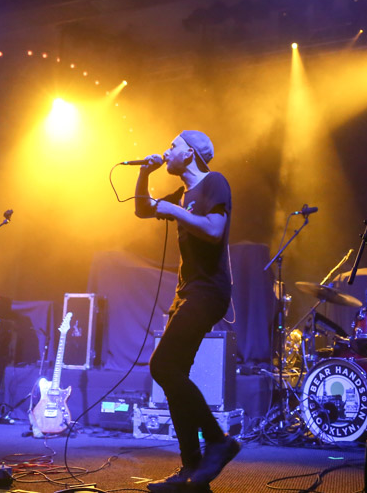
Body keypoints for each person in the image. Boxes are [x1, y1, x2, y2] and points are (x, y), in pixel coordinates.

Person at [134, 131, 240, 492]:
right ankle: (192, 472)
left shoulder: (214, 182)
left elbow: (214, 230)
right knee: (174, 373)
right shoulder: (181, 195)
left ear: (190, 153)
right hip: (187, 294)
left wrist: (175, 209)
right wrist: (145, 174)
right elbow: (141, 208)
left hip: (209, 292)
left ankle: (218, 440)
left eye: (172, 146)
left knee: (162, 366)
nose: (166, 151)